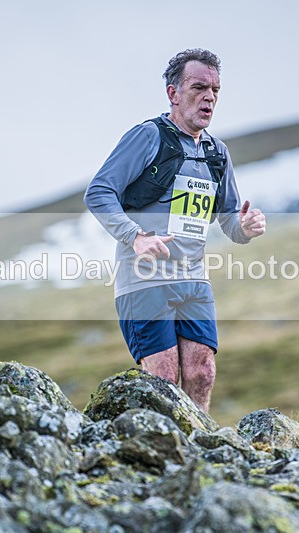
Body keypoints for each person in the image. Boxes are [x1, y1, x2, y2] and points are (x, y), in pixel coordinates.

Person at [84, 49, 266, 412]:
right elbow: (99, 192)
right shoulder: (147, 137)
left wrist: (244, 227)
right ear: (174, 93)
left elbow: (228, 217)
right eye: (199, 87)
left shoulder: (218, 153)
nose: (209, 97)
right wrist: (135, 236)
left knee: (202, 372)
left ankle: (199, 453)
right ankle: (161, 454)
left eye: (215, 89)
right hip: (144, 280)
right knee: (163, 378)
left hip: (194, 280)